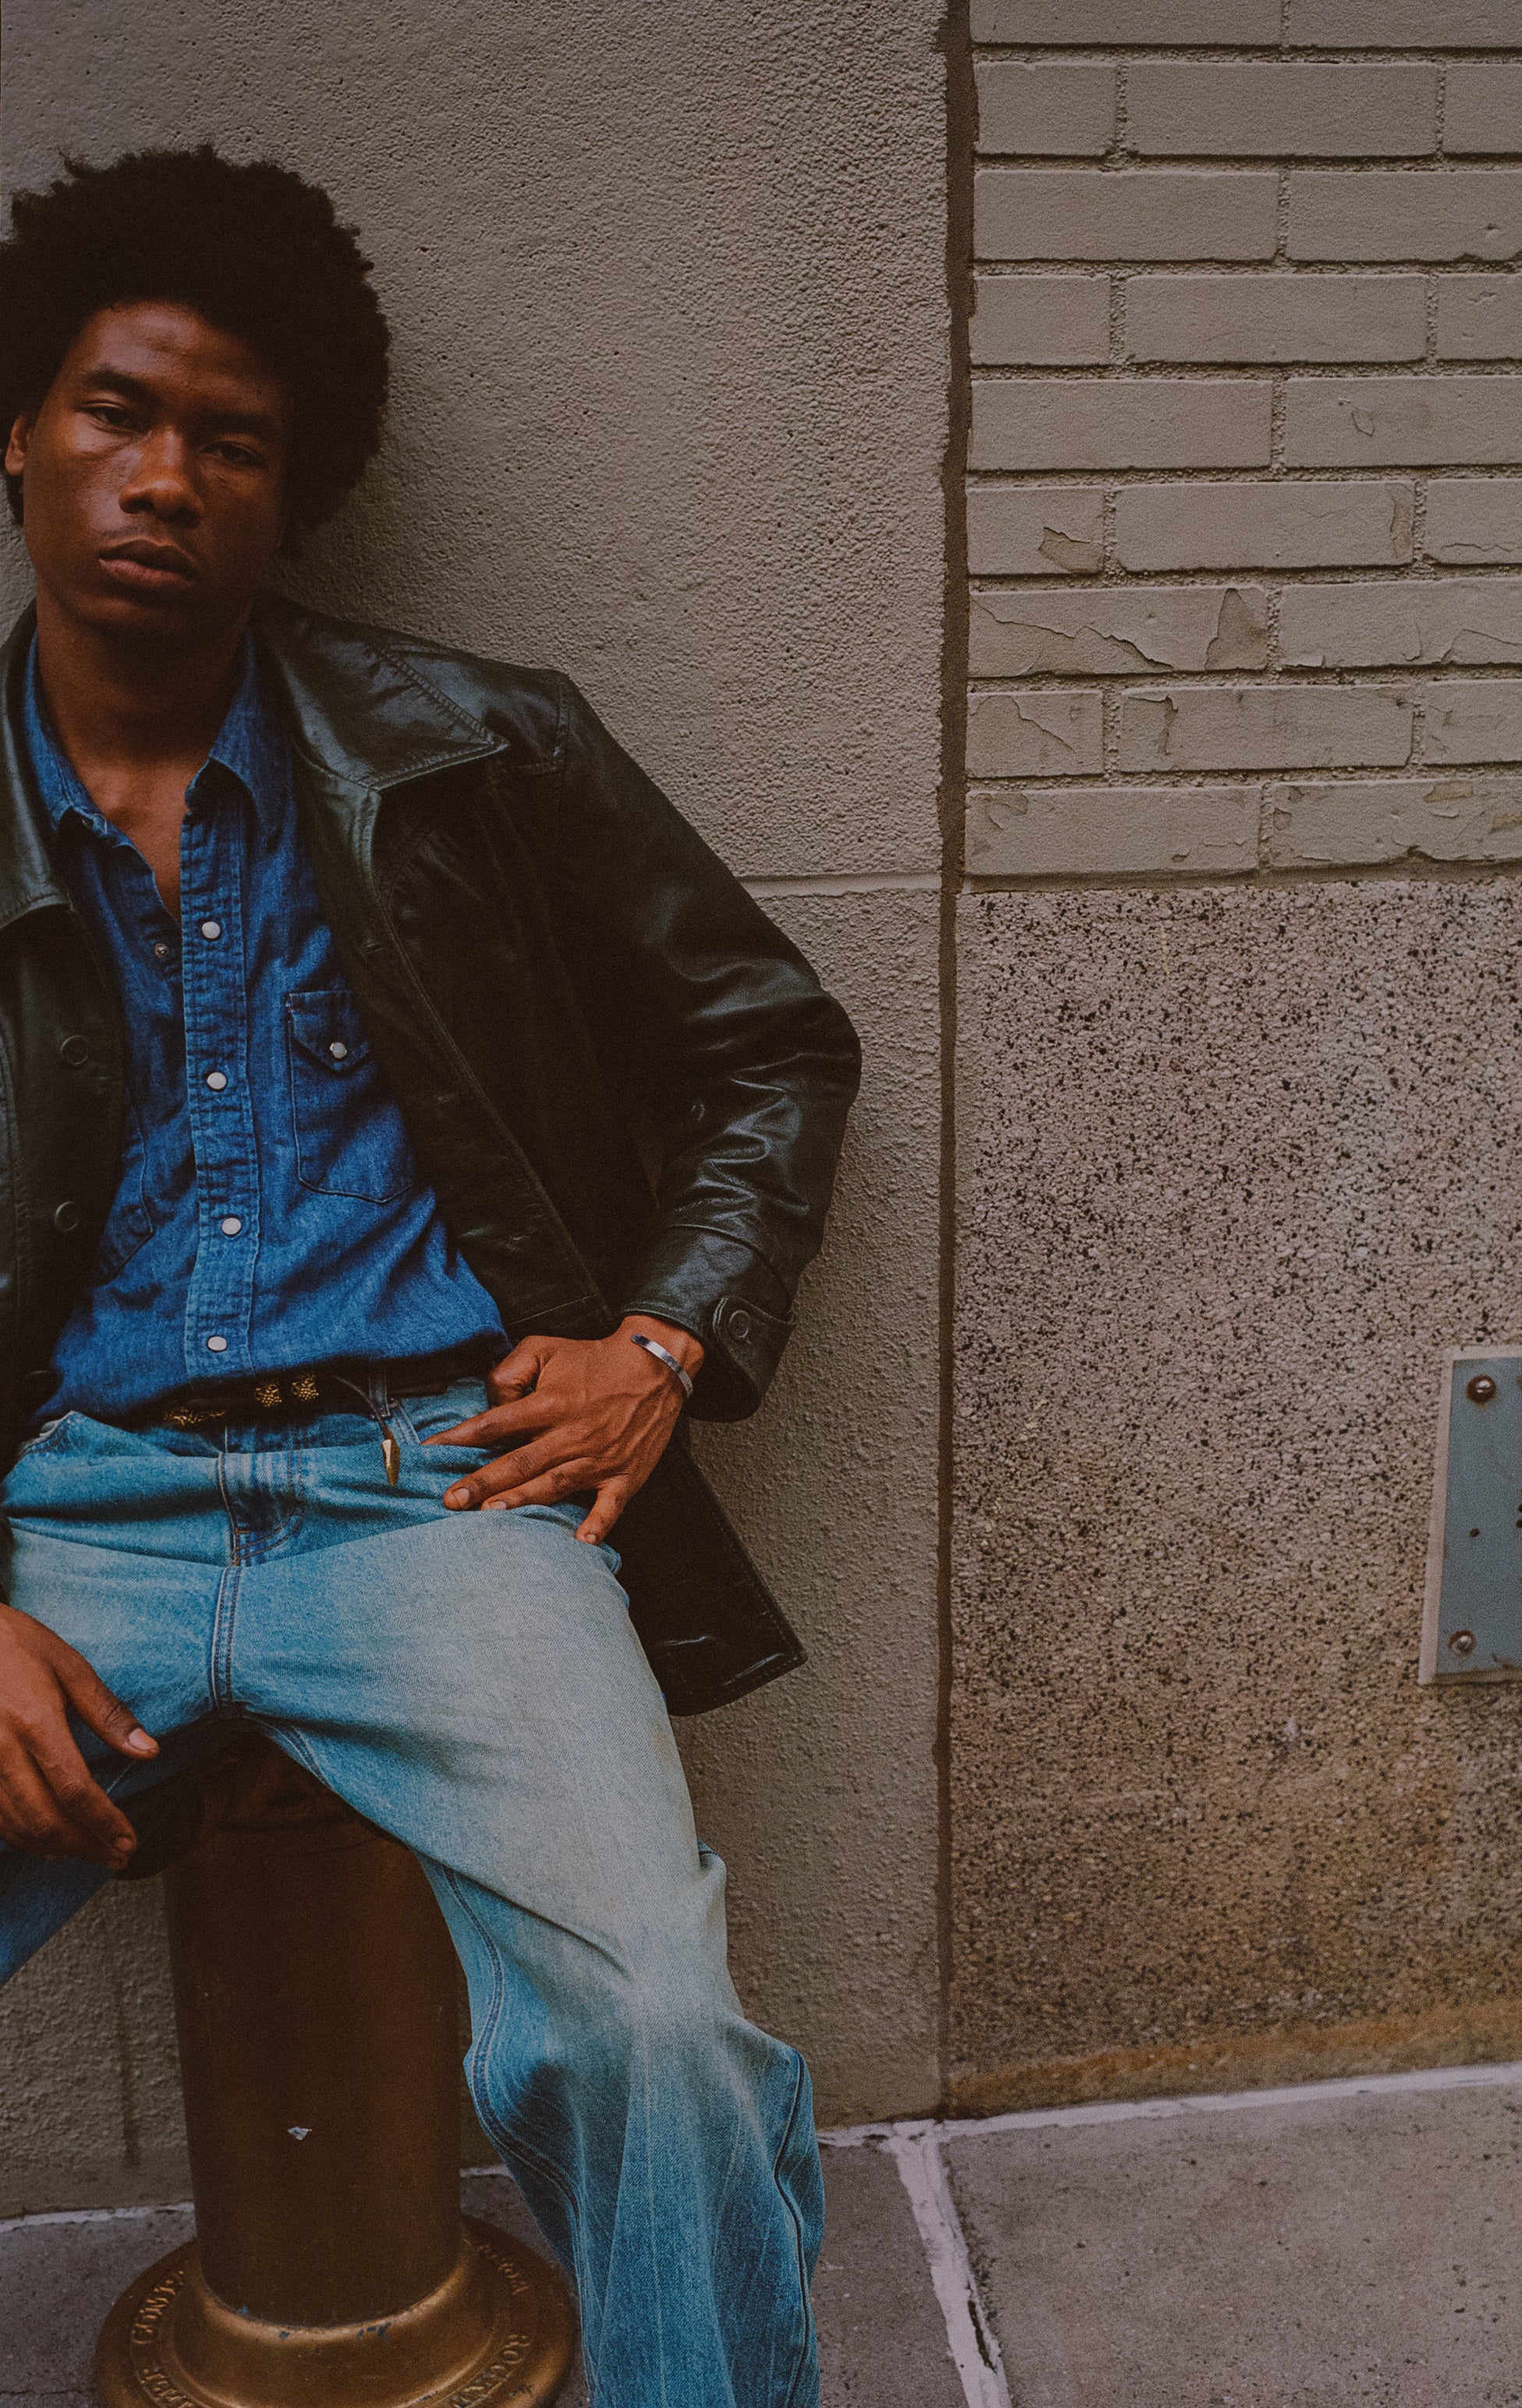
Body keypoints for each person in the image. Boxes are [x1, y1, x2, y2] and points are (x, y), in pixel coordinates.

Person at [0, 144, 858, 2404]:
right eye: (113, 410)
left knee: (658, 2029)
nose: (164, 475)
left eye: (233, 441)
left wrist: (665, 1337)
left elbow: (772, 1041)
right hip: (62, 1524)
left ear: (300, 492)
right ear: (17, 429)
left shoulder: (478, 750)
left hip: (437, 1496)